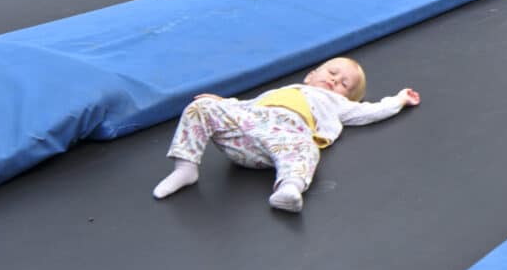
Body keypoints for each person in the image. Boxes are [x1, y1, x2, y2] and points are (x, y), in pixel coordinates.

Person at [151, 56, 421, 214]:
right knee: (201, 106)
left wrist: (398, 100)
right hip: (247, 133)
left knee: (305, 148)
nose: (334, 82)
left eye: (343, 85)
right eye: (332, 73)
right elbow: (247, 106)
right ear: (310, 75)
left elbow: (369, 111)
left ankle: (289, 187)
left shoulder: (334, 102)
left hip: (283, 141)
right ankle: (185, 168)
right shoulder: (281, 92)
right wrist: (222, 102)